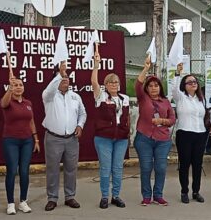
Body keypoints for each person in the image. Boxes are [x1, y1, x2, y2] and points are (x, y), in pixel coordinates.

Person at [42, 62, 87, 211]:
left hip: (72, 140)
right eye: (62, 77)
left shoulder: (75, 97)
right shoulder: (49, 96)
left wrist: (80, 125)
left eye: (67, 77)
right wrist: (59, 73)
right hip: (53, 139)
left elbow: (82, 113)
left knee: (71, 169)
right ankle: (52, 198)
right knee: (53, 169)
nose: (66, 79)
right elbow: (49, 89)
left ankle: (70, 196)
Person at [133, 55, 175, 206]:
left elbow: (172, 120)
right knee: (146, 167)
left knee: (161, 168)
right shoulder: (143, 98)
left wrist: (162, 121)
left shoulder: (165, 102)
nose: (153, 88)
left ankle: (158, 195)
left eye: (156, 85)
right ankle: (146, 196)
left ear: (160, 87)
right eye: (150, 85)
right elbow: (138, 85)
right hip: (144, 138)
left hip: (163, 140)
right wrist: (146, 68)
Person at [173, 65, 211, 204]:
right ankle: (184, 191)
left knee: (198, 164)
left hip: (200, 134)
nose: (193, 84)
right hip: (185, 134)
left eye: (195, 82)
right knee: (185, 164)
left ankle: (196, 191)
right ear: (184, 85)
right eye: (190, 82)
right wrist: (177, 73)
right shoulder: (180, 97)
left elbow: (209, 114)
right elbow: (174, 88)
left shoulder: (202, 99)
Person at [91, 51, 130, 209]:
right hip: (104, 137)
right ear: (106, 85)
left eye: (116, 82)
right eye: (110, 82)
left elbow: (127, 118)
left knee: (118, 167)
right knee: (106, 167)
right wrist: (96, 65)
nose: (114, 85)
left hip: (121, 138)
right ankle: (104, 196)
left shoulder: (125, 98)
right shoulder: (100, 96)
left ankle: (116, 195)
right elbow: (94, 82)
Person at [0, 74, 40, 215]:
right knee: (12, 171)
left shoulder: (28, 103)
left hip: (27, 141)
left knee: (24, 171)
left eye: (20, 85)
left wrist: (36, 139)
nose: (18, 87)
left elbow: (31, 121)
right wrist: (9, 90)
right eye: (15, 85)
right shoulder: (8, 101)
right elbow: (3, 104)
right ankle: (10, 203)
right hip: (11, 140)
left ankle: (23, 201)